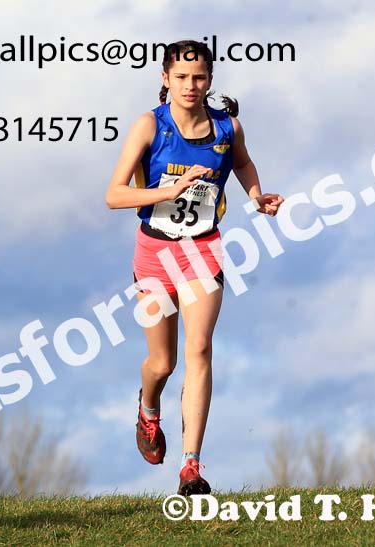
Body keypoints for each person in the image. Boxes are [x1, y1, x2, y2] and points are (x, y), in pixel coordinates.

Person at [105, 39, 283, 495]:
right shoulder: (149, 126)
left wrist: (258, 196)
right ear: (165, 79)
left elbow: (241, 162)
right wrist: (165, 193)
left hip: (203, 248)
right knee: (162, 363)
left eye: (199, 77)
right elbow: (114, 195)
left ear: (210, 80)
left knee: (200, 349)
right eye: (181, 77)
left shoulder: (227, 128)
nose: (191, 85)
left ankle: (191, 467)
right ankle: (148, 409)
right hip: (154, 254)